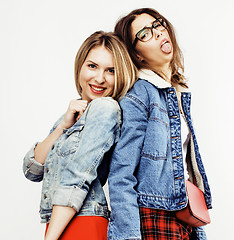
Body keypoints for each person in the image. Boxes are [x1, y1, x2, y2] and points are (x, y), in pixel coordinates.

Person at [108, 8, 212, 240]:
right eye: (144, 33)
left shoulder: (176, 93)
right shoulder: (139, 94)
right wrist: (128, 235)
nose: (157, 32)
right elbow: (121, 174)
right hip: (154, 216)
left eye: (158, 24)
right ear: (136, 55)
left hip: (185, 214)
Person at [23, 31, 137, 240]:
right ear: (80, 66)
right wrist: (63, 127)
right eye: (92, 66)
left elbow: (78, 177)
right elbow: (32, 170)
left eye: (111, 70)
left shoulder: (105, 109)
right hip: (62, 221)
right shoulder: (73, 114)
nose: (100, 78)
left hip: (82, 221)